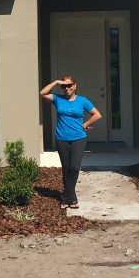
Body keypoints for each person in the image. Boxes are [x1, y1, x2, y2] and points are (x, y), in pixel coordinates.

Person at [40, 75, 102, 209]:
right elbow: (42, 93)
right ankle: (71, 199)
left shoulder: (82, 101)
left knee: (74, 168)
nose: (67, 88)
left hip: (78, 138)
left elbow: (97, 114)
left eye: (70, 85)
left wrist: (85, 125)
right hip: (61, 138)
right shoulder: (58, 99)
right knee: (66, 169)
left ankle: (66, 197)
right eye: (64, 86)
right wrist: (56, 82)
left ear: (75, 86)